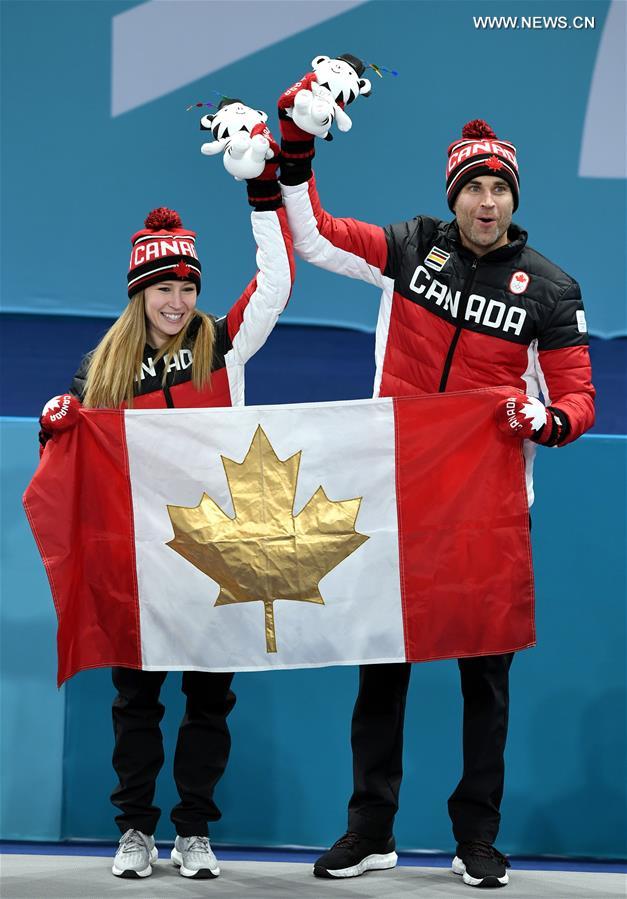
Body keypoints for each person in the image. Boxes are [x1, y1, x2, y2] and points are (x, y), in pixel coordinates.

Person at [278, 79, 595, 889]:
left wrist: (545, 423)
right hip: (394, 498)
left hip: (488, 513)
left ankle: (475, 838)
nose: (485, 202)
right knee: (380, 663)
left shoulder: (550, 290)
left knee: (482, 676)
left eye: (498, 187)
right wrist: (298, 145)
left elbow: (577, 399)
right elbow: (311, 237)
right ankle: (369, 829)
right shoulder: (412, 248)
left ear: (512, 196)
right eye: (472, 187)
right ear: (451, 196)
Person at [39, 123, 294, 880]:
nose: (177, 301)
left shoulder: (223, 341)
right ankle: (134, 831)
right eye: (163, 289)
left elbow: (276, 282)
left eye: (186, 287)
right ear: (139, 293)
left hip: (221, 551)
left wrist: (261, 191)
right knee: (136, 702)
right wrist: (55, 425)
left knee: (210, 701)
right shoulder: (103, 367)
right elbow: (71, 461)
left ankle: (193, 831)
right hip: (141, 556)